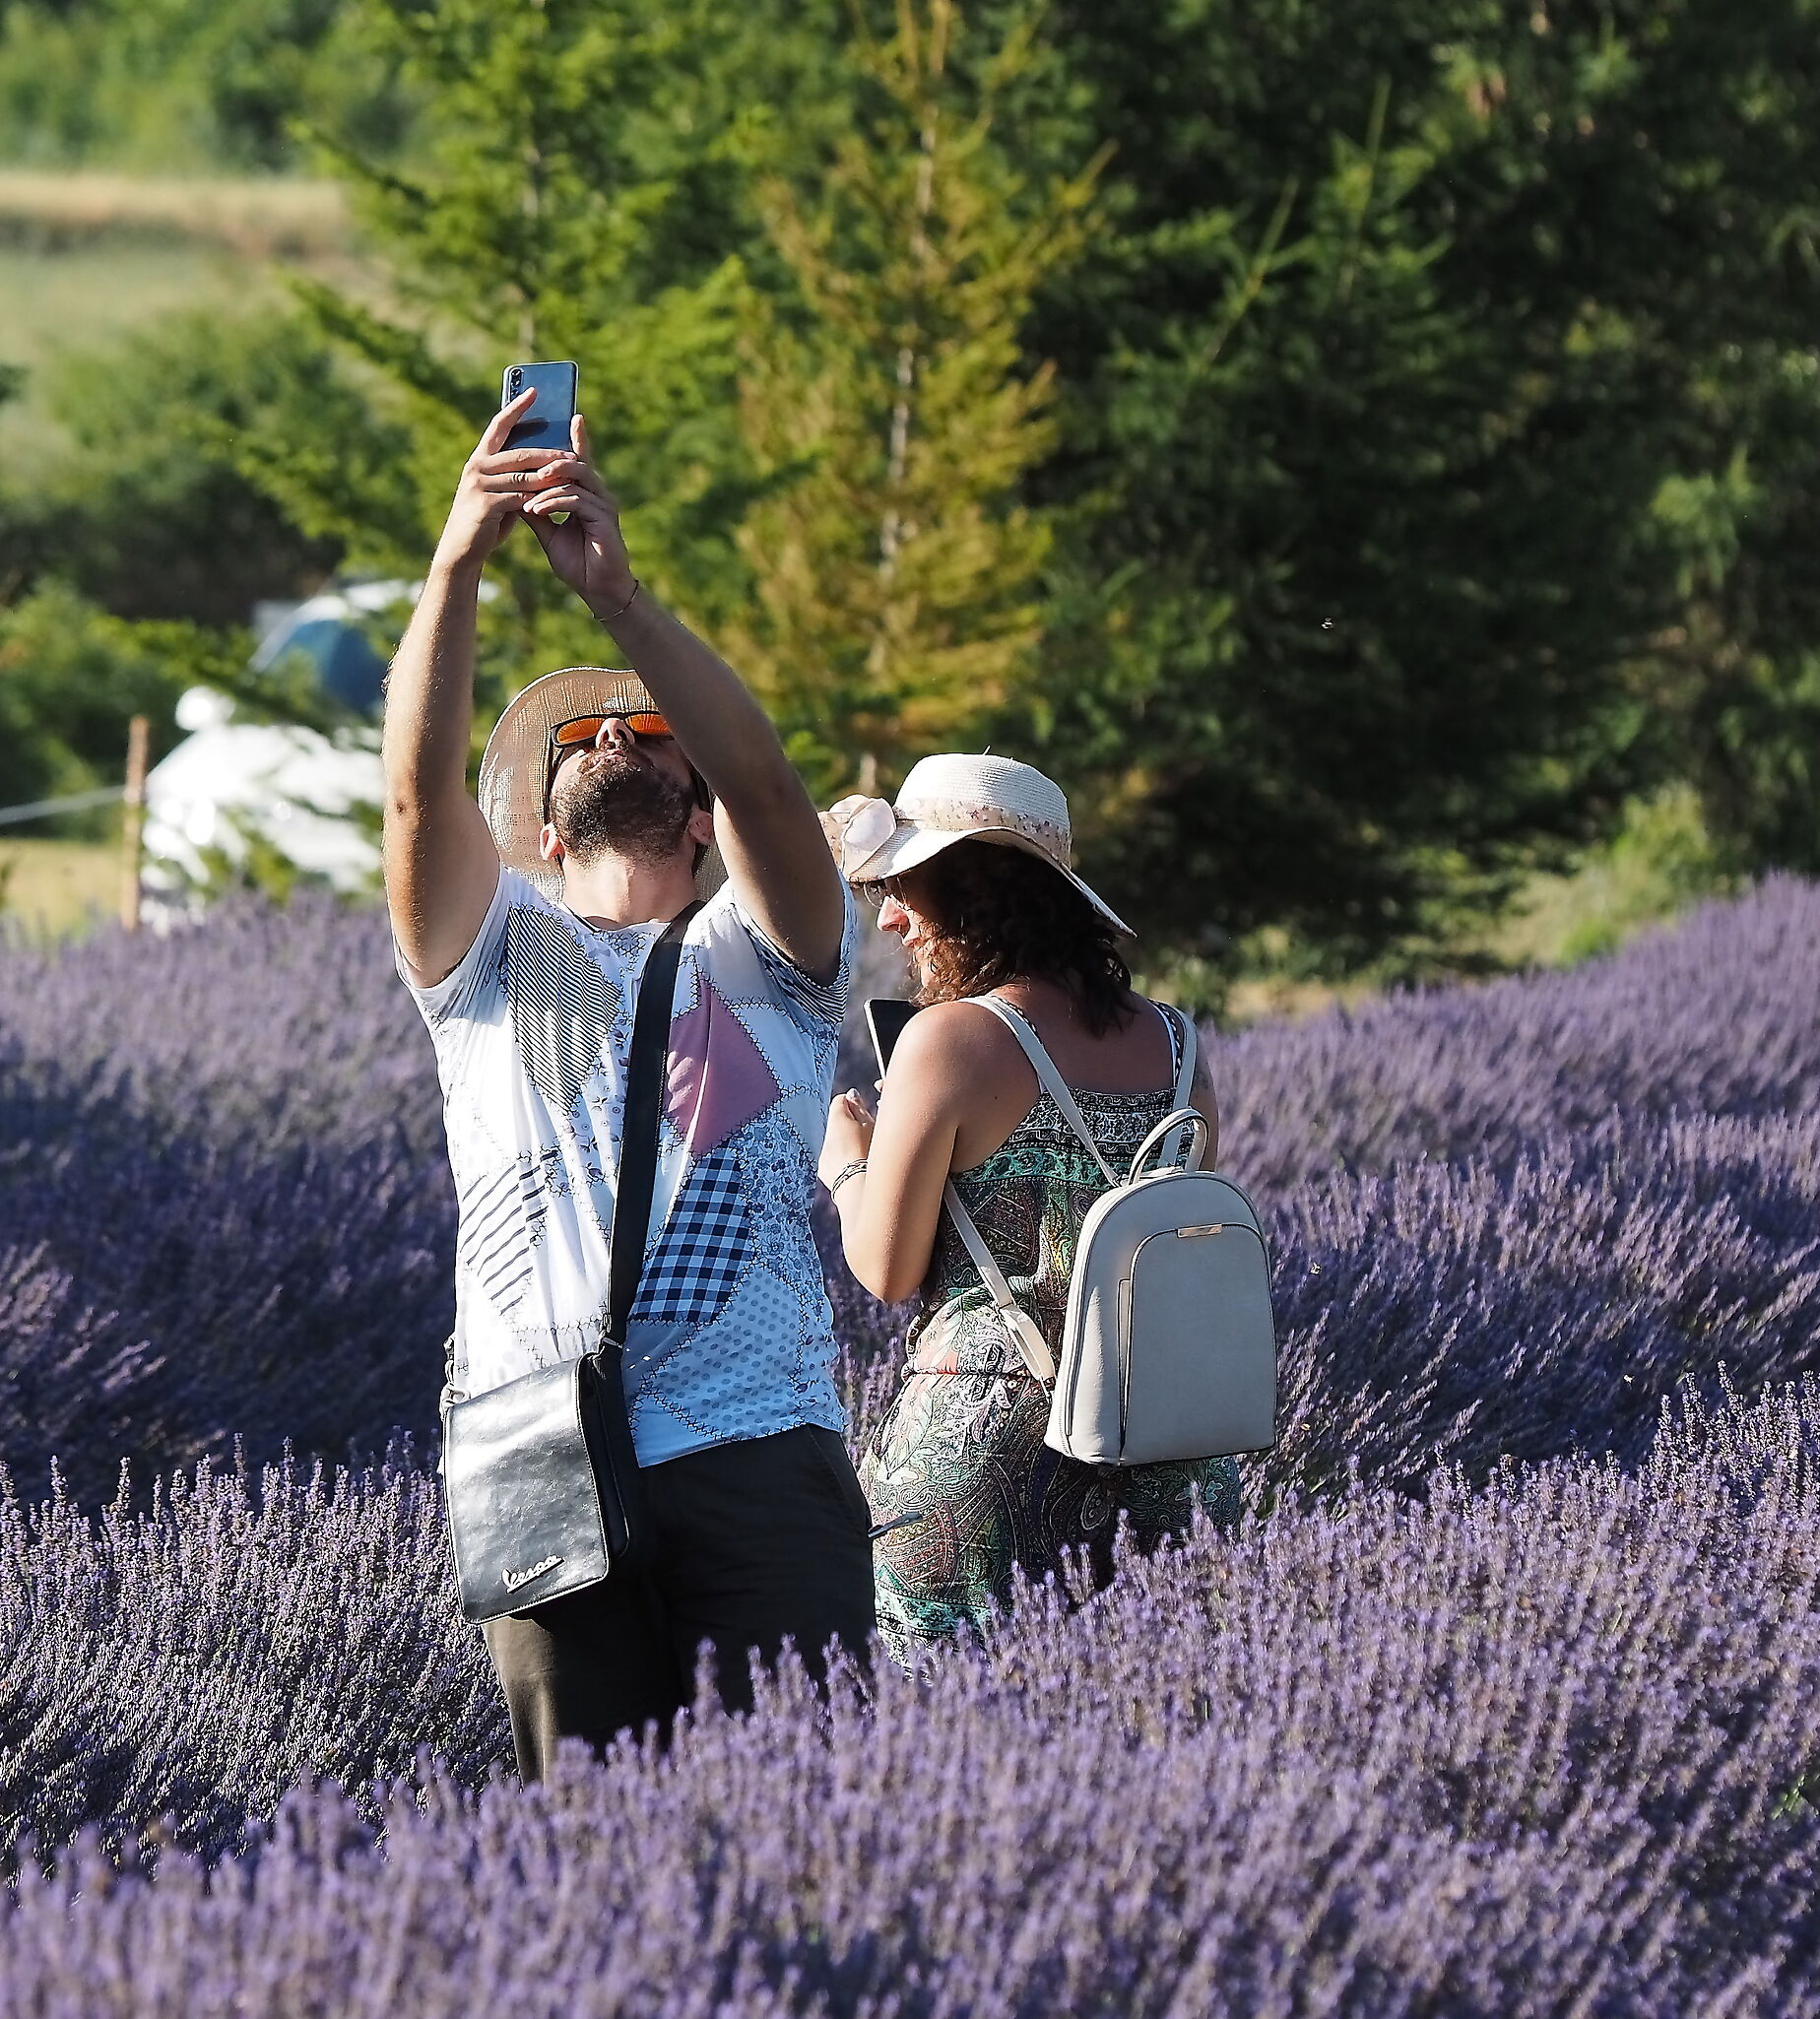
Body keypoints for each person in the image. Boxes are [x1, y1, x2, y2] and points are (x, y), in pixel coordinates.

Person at [384, 385, 873, 1778]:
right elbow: (418, 800)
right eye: (586, 741)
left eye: (652, 737)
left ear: (703, 817)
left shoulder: (773, 953)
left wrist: (621, 604)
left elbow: (775, 788)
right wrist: (456, 564)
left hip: (758, 1446)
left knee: (805, 1831)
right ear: (537, 824)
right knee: (594, 1864)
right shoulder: (488, 957)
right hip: (538, 1447)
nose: (616, 740)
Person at [816, 754, 1243, 1661]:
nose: (889, 917)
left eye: (908, 889)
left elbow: (885, 1271)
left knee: (946, 1766)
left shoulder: (951, 1040)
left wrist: (849, 1167)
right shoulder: (1178, 1045)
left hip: (984, 1456)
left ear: (973, 895)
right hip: (1162, 1455)